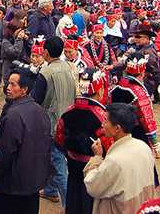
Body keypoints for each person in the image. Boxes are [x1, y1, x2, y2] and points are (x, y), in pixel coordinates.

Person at [0, 70, 51, 214]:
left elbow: (4, 153)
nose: (8, 88)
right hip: (32, 185)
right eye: (8, 83)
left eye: (13, 84)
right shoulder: (41, 112)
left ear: (24, 89)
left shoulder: (13, 115)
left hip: (11, 187)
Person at [55, 69, 112, 214]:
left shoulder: (68, 112)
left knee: (74, 201)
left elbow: (59, 140)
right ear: (100, 91)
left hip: (73, 167)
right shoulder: (103, 117)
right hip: (95, 172)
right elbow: (111, 148)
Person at [83, 103, 155, 214]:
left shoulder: (115, 160)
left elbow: (92, 186)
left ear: (117, 128)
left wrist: (97, 158)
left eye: (106, 120)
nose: (102, 124)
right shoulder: (143, 147)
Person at [32, 35, 76, 205]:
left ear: (46, 52)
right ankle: (50, 190)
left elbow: (36, 99)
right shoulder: (68, 67)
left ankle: (69, 205)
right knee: (52, 158)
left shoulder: (46, 72)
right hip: (68, 119)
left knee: (58, 165)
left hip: (52, 122)